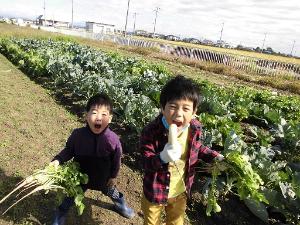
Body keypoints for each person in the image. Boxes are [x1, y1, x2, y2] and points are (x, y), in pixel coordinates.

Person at [140, 75, 224, 225]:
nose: (178, 113)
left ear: (194, 112)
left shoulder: (194, 128)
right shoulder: (151, 131)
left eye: (186, 108)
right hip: (155, 191)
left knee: (176, 222)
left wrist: (216, 157)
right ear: (162, 107)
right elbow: (146, 162)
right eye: (172, 106)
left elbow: (199, 148)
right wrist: (162, 157)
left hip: (180, 191)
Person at [50, 93, 135, 225]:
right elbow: (69, 150)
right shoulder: (78, 135)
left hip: (104, 180)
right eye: (94, 113)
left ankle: (122, 206)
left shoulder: (113, 140)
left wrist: (113, 176)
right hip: (80, 178)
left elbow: (117, 160)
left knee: (114, 194)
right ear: (86, 115)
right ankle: (61, 213)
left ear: (110, 118)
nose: (99, 118)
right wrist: (58, 160)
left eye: (104, 115)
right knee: (70, 198)